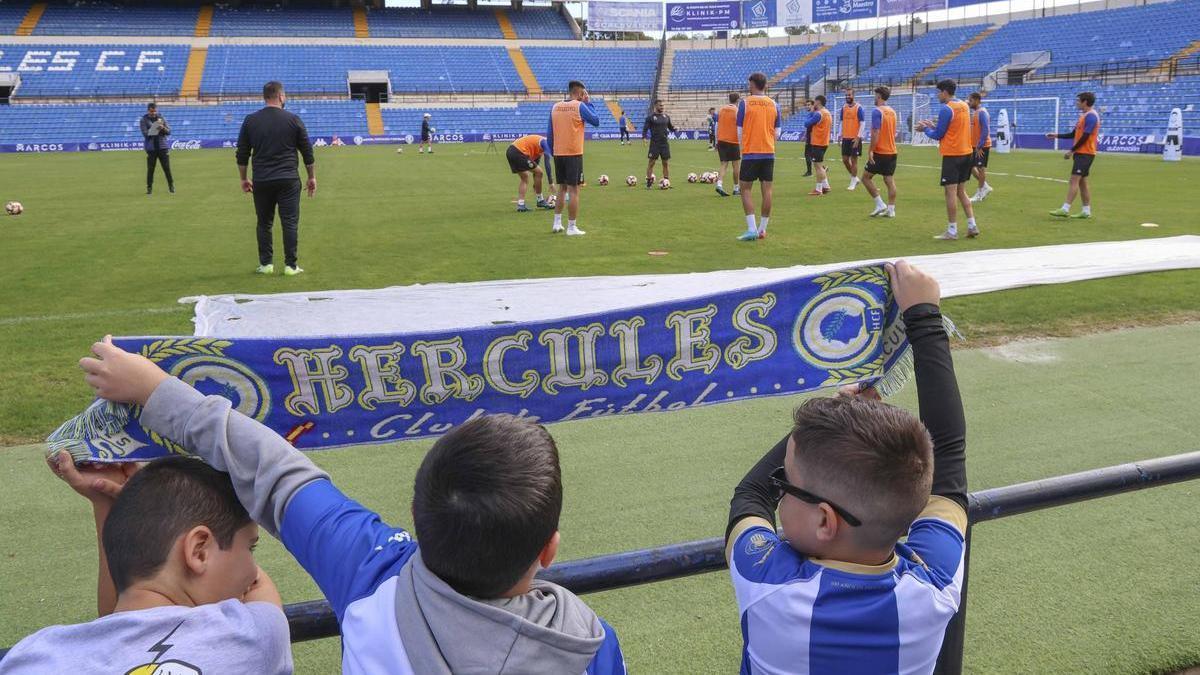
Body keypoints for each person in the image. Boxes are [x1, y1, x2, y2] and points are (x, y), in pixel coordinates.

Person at [75, 337, 628, 675]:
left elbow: (269, 466)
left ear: (415, 518)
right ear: (549, 549)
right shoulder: (589, 643)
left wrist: (152, 390)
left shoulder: (374, 575)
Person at [726, 260, 967, 673]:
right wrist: (924, 316)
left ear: (825, 521)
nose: (778, 489)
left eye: (786, 483)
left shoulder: (768, 581)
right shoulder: (935, 585)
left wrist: (843, 407)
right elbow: (948, 456)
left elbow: (750, 494)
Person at [1, 452, 290, 673]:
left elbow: (123, 623)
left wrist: (115, 508)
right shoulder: (248, 637)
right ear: (199, 551)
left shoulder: (31, 656)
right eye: (250, 547)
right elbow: (261, 592)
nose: (252, 571)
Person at [236, 80, 316, 276]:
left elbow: (242, 153)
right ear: (281, 96)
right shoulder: (293, 119)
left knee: (264, 223)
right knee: (289, 222)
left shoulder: (250, 120)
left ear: (265, 97)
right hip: (288, 179)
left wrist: (244, 179)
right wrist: (311, 177)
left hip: (262, 179)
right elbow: (307, 152)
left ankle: (266, 265)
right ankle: (291, 266)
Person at [916, 79, 979, 240]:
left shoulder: (947, 109)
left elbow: (938, 135)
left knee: (950, 193)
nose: (937, 95)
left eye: (938, 92)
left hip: (953, 155)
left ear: (945, 92)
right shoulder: (964, 106)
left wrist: (925, 129)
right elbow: (952, 128)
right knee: (961, 191)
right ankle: (972, 226)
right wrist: (933, 126)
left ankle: (952, 231)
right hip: (967, 153)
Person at [548, 80, 600, 236]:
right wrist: (589, 103)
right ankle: (571, 227)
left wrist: (553, 152)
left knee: (562, 189)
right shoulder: (580, 106)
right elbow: (596, 121)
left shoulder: (555, 107)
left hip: (558, 153)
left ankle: (557, 223)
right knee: (574, 190)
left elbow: (549, 134)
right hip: (573, 153)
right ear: (580, 93)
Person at [736, 72, 781, 242]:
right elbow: (777, 132)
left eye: (749, 84)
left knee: (745, 189)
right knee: (767, 190)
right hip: (768, 152)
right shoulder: (774, 104)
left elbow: (739, 130)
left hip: (750, 152)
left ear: (753, 84)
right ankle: (762, 229)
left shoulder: (745, 103)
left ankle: (751, 229)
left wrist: (744, 146)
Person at [1047, 92, 1100, 219]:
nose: (1076, 103)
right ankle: (1086, 211)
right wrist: (1057, 135)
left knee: (1074, 180)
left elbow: (1085, 136)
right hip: (1082, 153)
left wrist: (1071, 150)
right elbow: (1073, 134)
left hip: (1085, 153)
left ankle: (1065, 208)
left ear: (1085, 102)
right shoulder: (1084, 116)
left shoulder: (1091, 116)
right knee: (1082, 182)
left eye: (1078, 101)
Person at [861, 86, 899, 219]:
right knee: (889, 180)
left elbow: (876, 132)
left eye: (875, 95)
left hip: (881, 151)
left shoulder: (877, 111)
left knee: (865, 178)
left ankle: (879, 204)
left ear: (879, 96)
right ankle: (891, 209)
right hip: (892, 151)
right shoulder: (892, 111)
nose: (874, 97)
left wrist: (871, 150)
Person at [507, 134, 554, 212]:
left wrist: (536, 182)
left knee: (525, 177)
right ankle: (540, 200)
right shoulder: (545, 142)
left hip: (511, 151)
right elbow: (547, 163)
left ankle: (521, 205)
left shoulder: (540, 148)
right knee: (540, 172)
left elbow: (535, 165)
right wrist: (551, 182)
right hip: (518, 152)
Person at [140, 102, 174, 195]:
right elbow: (145, 134)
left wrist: (162, 128)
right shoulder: (144, 120)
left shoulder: (161, 118)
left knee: (166, 168)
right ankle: (149, 188)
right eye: (151, 111)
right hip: (151, 148)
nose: (153, 113)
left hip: (163, 147)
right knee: (151, 169)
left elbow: (169, 131)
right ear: (148, 110)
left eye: (155, 111)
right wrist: (154, 128)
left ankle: (171, 186)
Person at [642, 100, 676, 189]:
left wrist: (675, 129)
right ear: (656, 106)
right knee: (651, 163)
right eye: (660, 106)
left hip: (664, 143)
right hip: (655, 144)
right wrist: (644, 138)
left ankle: (666, 181)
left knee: (665, 163)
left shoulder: (666, 117)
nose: (662, 107)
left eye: (663, 106)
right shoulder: (650, 118)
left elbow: (671, 127)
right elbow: (645, 129)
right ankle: (649, 183)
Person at [714, 92, 741, 197]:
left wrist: (716, 141)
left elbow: (716, 126)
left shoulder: (721, 110)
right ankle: (736, 188)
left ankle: (719, 184)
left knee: (724, 164)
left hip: (721, 140)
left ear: (729, 99)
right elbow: (740, 127)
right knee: (736, 166)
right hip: (733, 141)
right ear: (737, 100)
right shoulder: (737, 111)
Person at [967, 92, 993, 202]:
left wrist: (980, 145)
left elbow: (985, 129)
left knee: (980, 168)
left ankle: (980, 193)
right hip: (974, 145)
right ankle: (985, 187)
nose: (969, 102)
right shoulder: (975, 113)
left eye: (971, 100)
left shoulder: (982, 112)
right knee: (970, 167)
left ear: (977, 100)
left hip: (981, 146)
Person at [804, 95, 832, 196]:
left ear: (818, 102)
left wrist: (811, 112)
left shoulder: (818, 114)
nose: (814, 103)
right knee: (819, 166)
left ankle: (819, 189)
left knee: (818, 167)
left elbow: (806, 123)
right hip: (824, 142)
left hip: (817, 142)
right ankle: (826, 186)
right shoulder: (828, 113)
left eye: (815, 101)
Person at [840, 87, 865, 191]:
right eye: (846, 95)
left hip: (855, 138)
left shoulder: (859, 108)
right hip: (845, 137)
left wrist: (858, 137)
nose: (847, 96)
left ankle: (853, 181)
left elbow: (863, 123)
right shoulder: (843, 107)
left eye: (849, 95)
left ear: (853, 96)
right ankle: (855, 178)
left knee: (854, 160)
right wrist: (839, 135)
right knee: (845, 160)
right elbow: (841, 122)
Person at [802, 99, 815, 177]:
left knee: (807, 154)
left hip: (812, 137)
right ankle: (823, 168)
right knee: (813, 155)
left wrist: (808, 136)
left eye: (809, 105)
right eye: (806, 105)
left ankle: (809, 172)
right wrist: (804, 135)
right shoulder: (811, 114)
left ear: (813, 105)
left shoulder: (813, 114)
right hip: (810, 136)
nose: (807, 106)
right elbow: (807, 126)